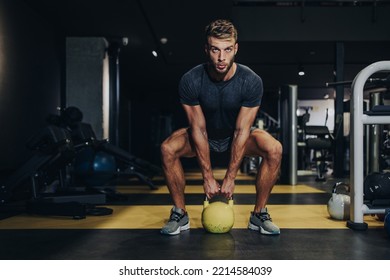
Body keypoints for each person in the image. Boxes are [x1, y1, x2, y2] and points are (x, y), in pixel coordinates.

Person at [160, 19, 282, 236]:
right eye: (215, 49)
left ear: (236, 48)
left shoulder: (250, 81)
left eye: (227, 49)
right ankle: (180, 213)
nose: (221, 57)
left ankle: (259, 214)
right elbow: (198, 129)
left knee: (274, 148)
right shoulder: (191, 80)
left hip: (237, 137)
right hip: (204, 137)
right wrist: (207, 177)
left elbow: (241, 130)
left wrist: (230, 177)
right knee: (168, 148)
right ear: (206, 49)